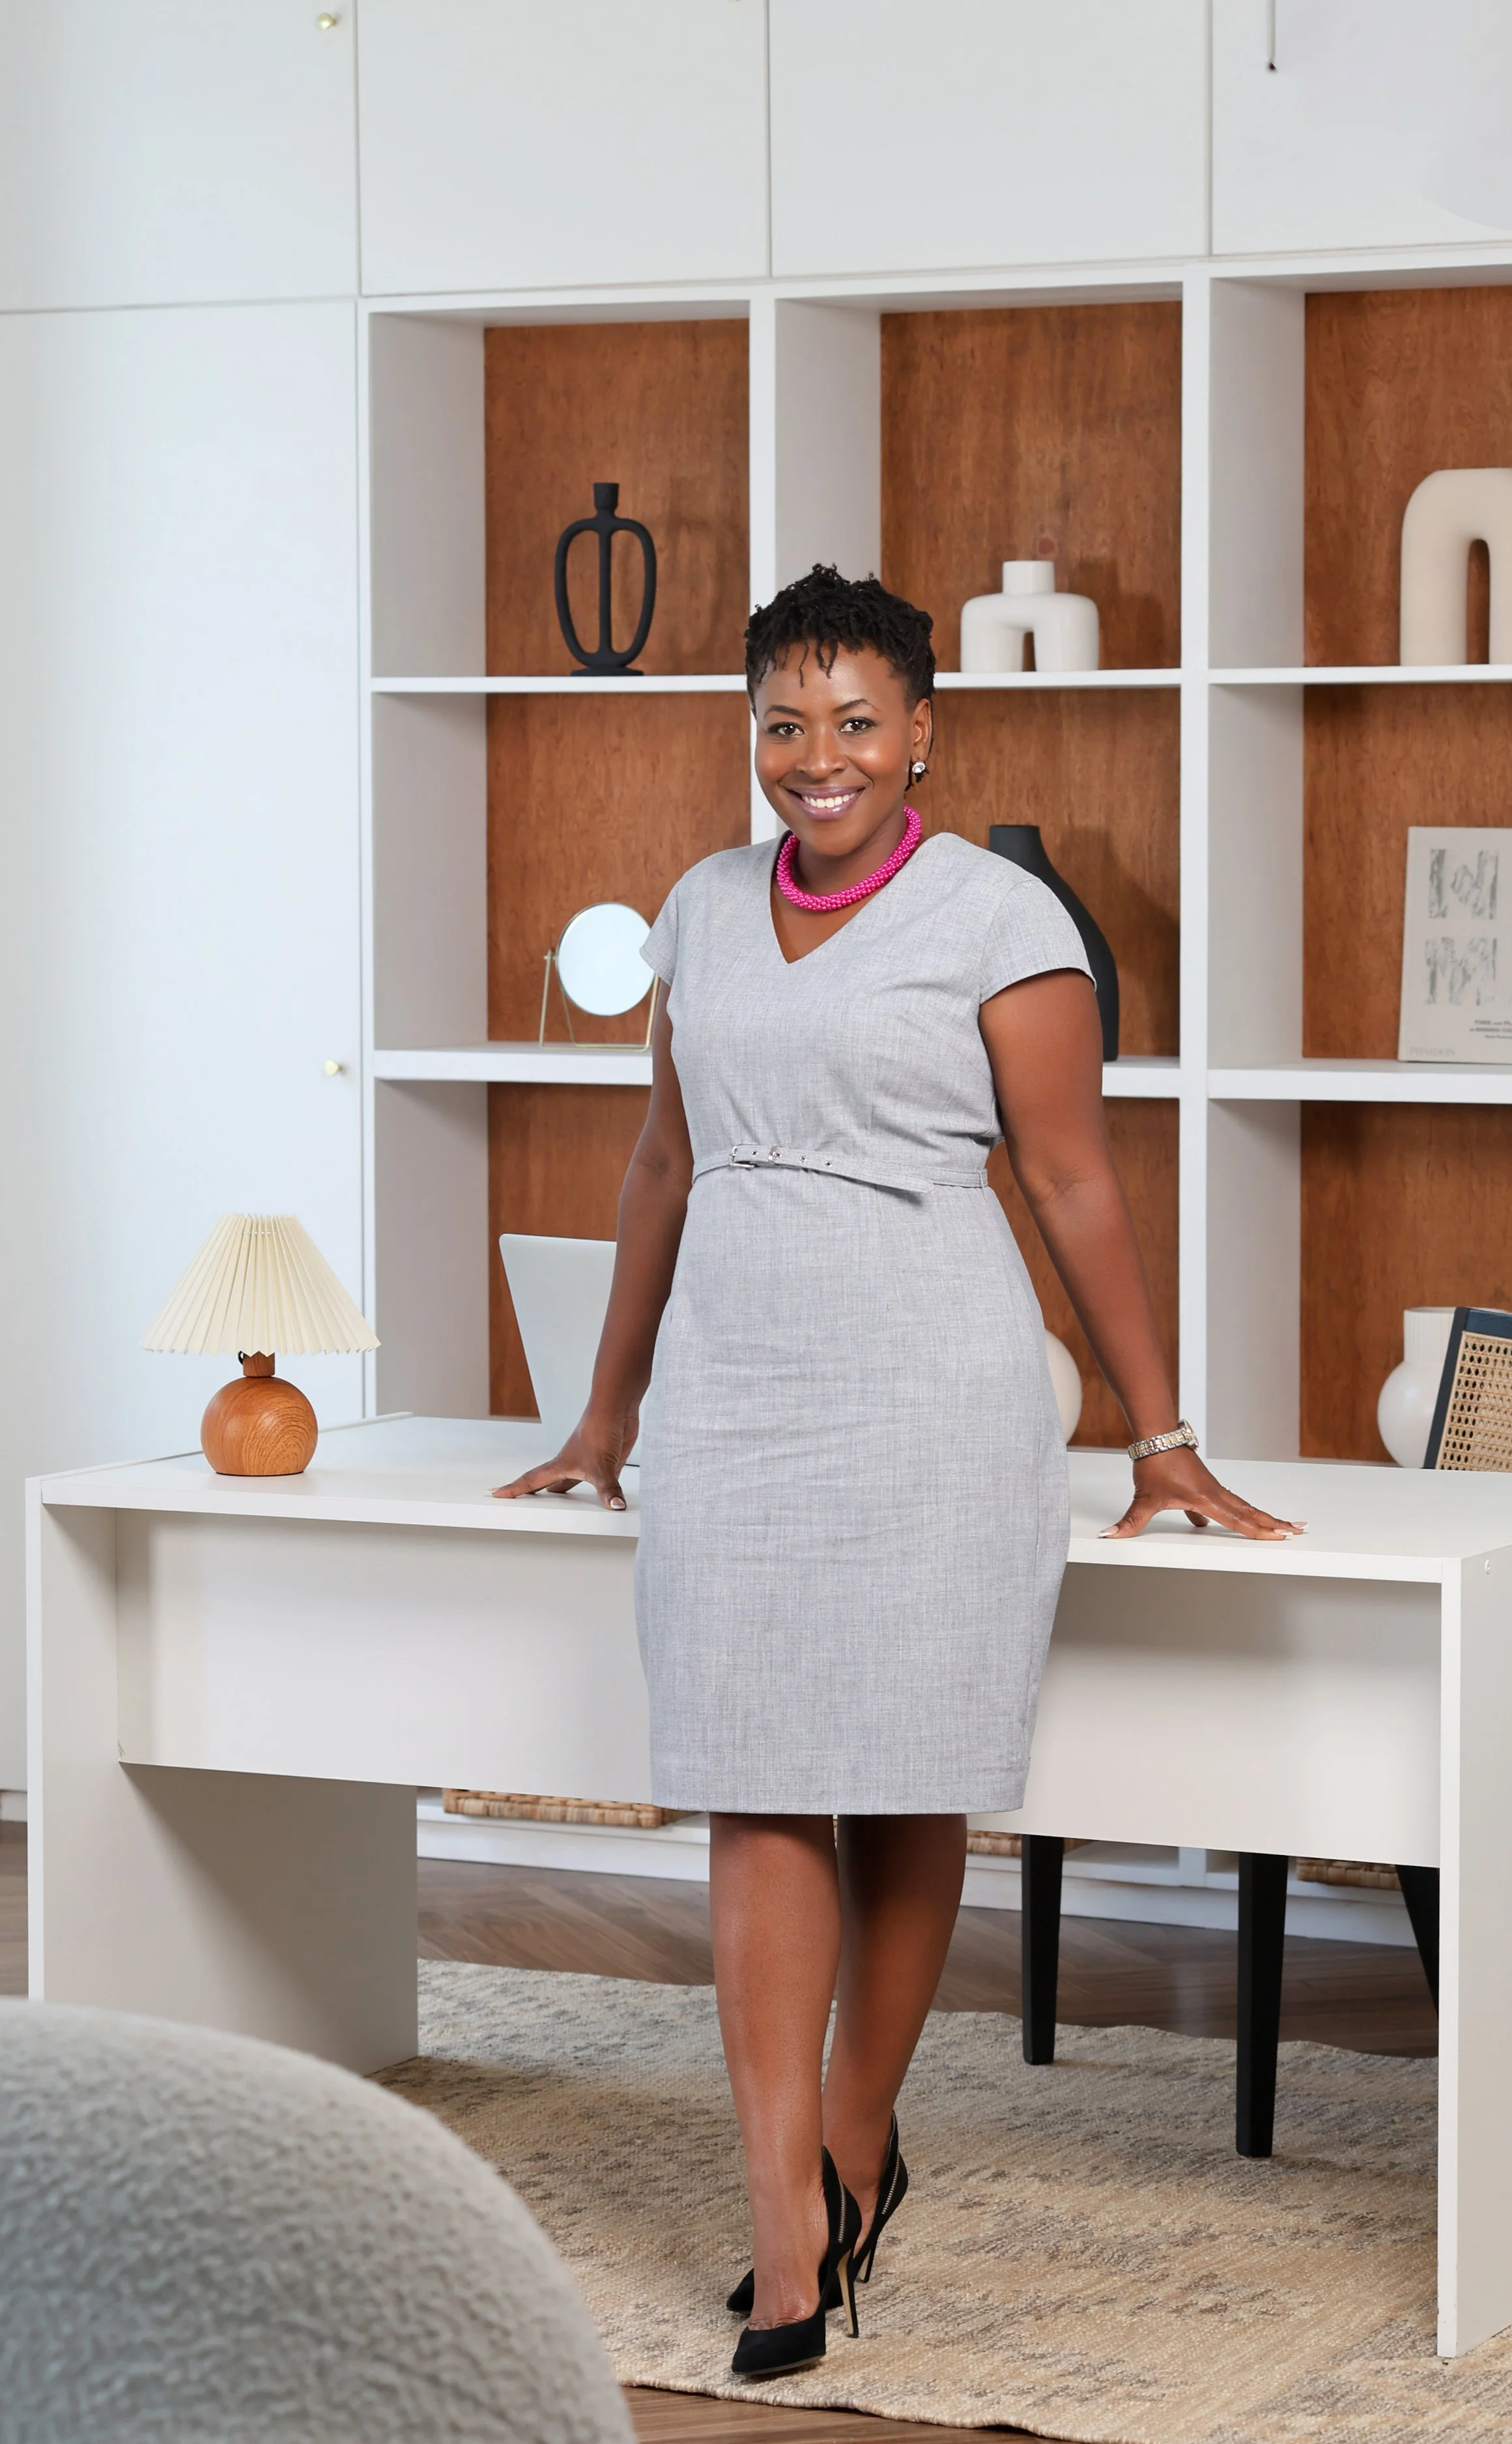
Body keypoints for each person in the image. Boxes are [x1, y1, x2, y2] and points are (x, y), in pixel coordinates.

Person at [496, 566, 1301, 2379]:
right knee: (752, 1776)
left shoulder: (1000, 920)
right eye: (783, 722)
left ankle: (853, 2136)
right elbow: (655, 1165)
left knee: (907, 1770)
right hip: (733, 1390)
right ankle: (786, 2218)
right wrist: (604, 1416)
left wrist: (1156, 1432)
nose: (816, 755)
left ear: (921, 729)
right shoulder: (699, 914)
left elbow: (1073, 1181)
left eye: (855, 719)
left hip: (936, 1385)